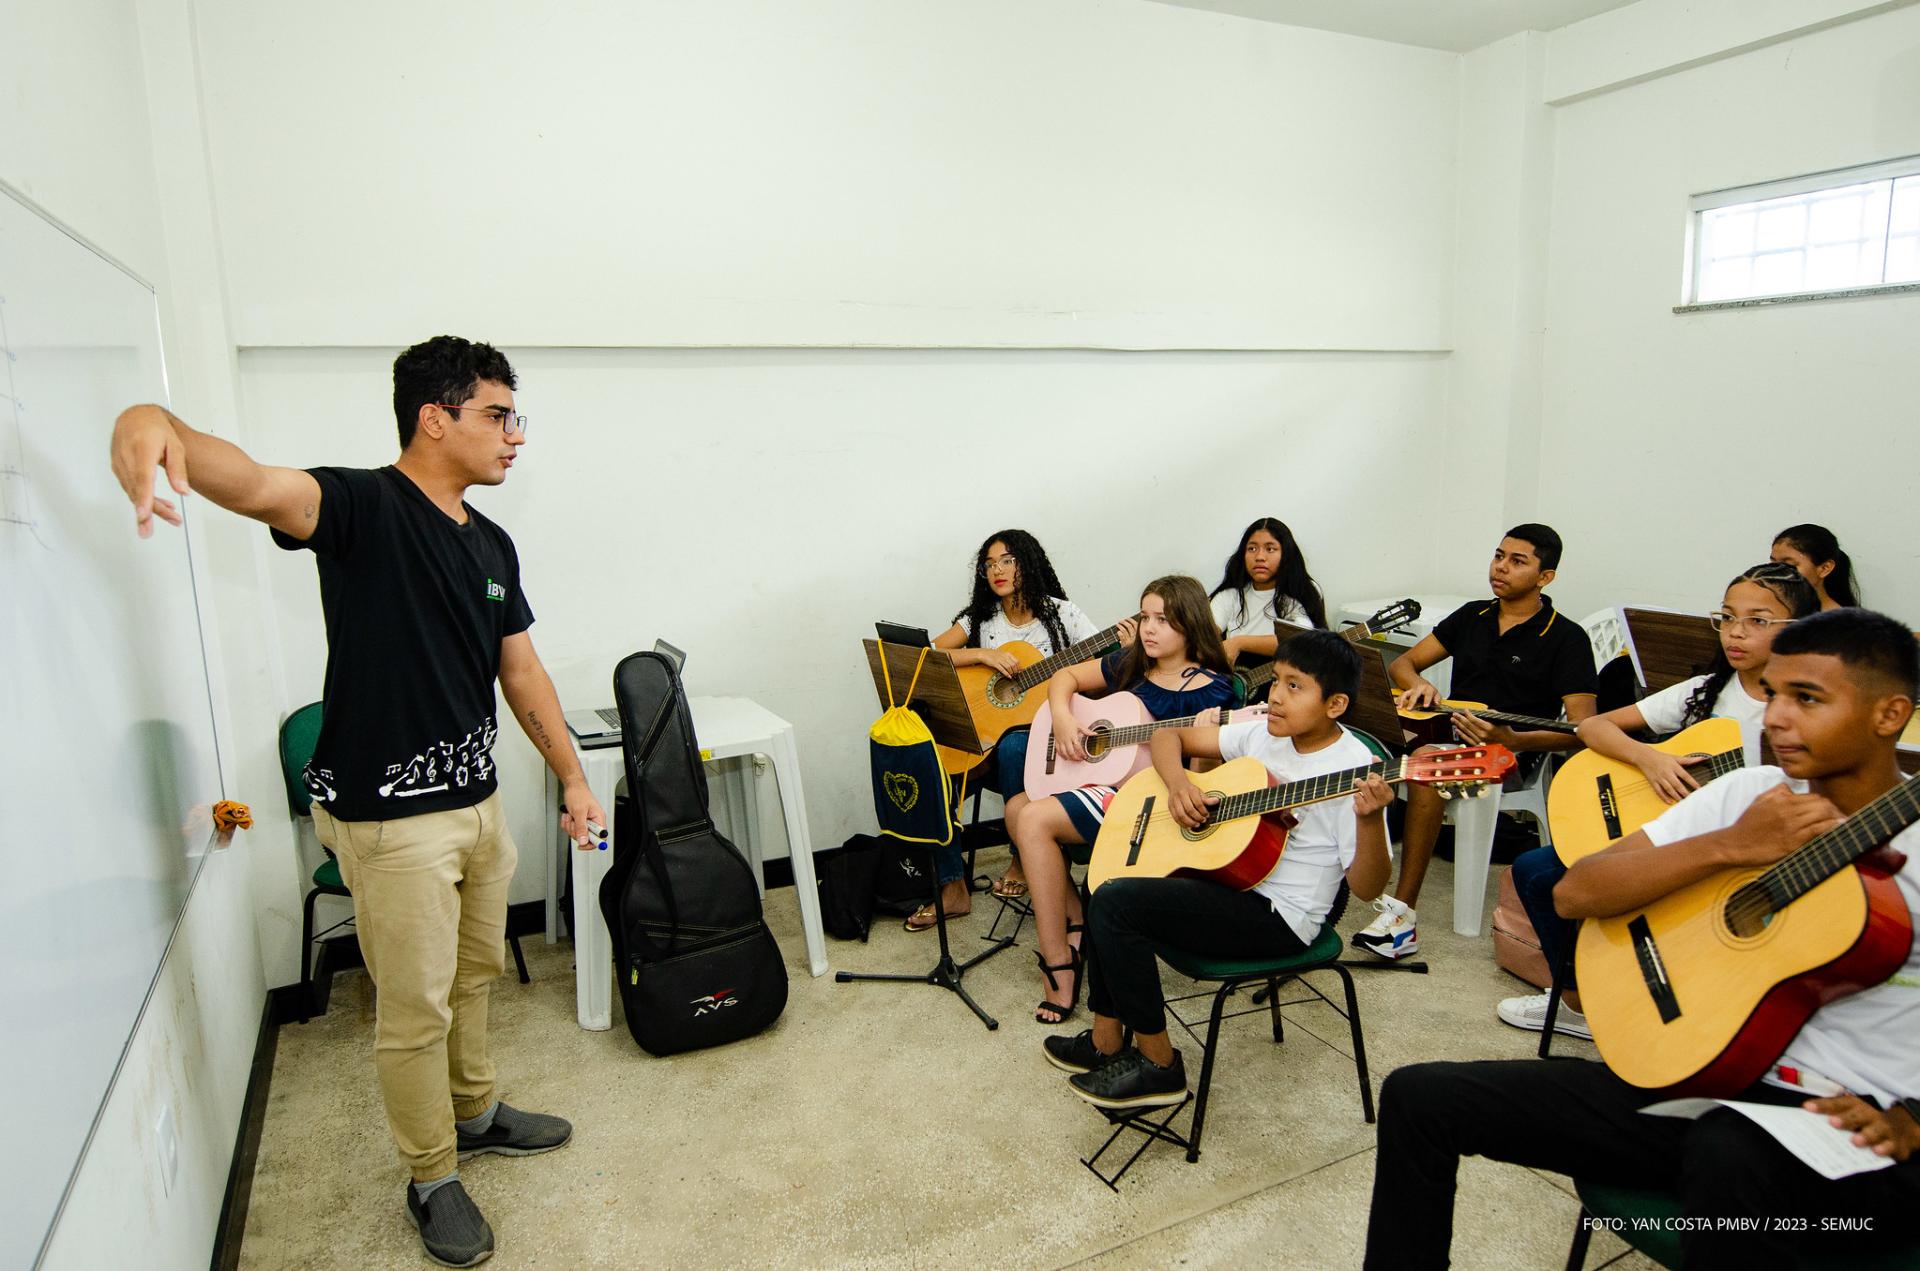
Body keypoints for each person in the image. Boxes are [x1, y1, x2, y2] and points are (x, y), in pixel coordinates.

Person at [109, 336, 605, 1268]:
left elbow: (522, 669)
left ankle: (478, 1109)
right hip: (390, 822)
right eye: (499, 415)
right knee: (414, 1007)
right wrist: (158, 424)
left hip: (478, 808)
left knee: (473, 979)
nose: (516, 436)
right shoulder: (362, 505)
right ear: (436, 417)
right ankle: (431, 1174)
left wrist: (573, 776)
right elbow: (258, 484)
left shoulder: (490, 540)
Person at [1364, 607, 1920, 1269]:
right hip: (1706, 1079)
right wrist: (1730, 845)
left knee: (1726, 1153)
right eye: (1772, 694)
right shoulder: (1748, 791)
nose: (1776, 717)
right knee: (1419, 1097)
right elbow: (1577, 891)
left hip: (1860, 1131)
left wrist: (1915, 1117)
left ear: (1889, 715)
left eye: (1808, 698)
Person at [1043, 630, 1393, 1108]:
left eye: (1295, 687)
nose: (1275, 696)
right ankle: (1106, 1041)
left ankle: (1159, 1066)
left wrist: (1369, 819)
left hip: (1280, 916)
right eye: (1277, 681)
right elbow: (1169, 735)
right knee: (1107, 875)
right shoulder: (1264, 733)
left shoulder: (1353, 768)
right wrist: (1180, 785)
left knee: (1117, 903)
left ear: (1334, 705)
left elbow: (1369, 886)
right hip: (1228, 880)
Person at [1496, 561, 1819, 1039]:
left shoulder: (1806, 708)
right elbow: (1592, 725)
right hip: (1666, 832)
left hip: (1738, 856)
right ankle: (1580, 1003)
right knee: (1536, 870)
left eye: (1757, 621)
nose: (1736, 632)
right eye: (1727, 617)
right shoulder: (1706, 692)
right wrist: (1651, 760)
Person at [1359, 525, 1597, 959]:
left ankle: (1402, 915)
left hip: (1510, 757)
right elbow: (1406, 664)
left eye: (1517, 561)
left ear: (1546, 578)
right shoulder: (1473, 616)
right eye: (1498, 556)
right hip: (1448, 738)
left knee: (1428, 767)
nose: (1500, 567)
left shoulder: (1567, 638)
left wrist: (1514, 739)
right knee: (1363, 745)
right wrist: (1421, 687)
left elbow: (1583, 731)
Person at [1005, 575, 1235, 1023]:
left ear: (1190, 625)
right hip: (1104, 787)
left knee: (1031, 820)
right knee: (1016, 808)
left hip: (1146, 801)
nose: (1148, 628)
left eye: (1163, 620)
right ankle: (1074, 921)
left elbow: (1204, 775)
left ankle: (1059, 966)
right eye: (1145, 616)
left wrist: (1206, 741)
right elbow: (1064, 676)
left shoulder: (1211, 690)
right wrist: (1064, 719)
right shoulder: (1131, 663)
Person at [918, 529, 1102, 927]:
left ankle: (1022, 857)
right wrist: (981, 653)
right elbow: (928, 655)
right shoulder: (980, 619)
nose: (996, 570)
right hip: (985, 735)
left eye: (1007, 561)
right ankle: (952, 888)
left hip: (1042, 738)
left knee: (1016, 746)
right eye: (989, 564)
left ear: (1027, 563)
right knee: (929, 758)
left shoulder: (1062, 614)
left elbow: (1102, 665)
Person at [1208, 517, 1328, 667]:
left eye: (1270, 549)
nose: (1259, 557)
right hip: (1237, 680)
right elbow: (1205, 636)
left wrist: (1239, 642)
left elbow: (1301, 640)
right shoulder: (1230, 594)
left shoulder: (1302, 590)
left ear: (1286, 554)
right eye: (1252, 549)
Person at [1772, 522, 1860, 609]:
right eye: (1773, 564)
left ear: (1825, 568)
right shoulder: (1775, 610)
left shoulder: (1839, 620)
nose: (1776, 572)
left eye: (1789, 565)